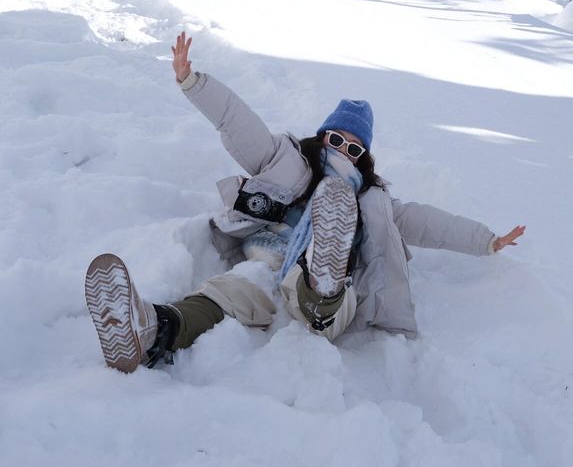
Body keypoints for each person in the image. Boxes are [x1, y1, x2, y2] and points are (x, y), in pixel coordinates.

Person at [85, 32, 526, 373]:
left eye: (353, 149)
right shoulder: (287, 162)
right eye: (336, 139)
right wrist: (194, 83)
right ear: (322, 137)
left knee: (320, 283)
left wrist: (486, 240)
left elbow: (431, 224)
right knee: (225, 294)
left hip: (328, 288)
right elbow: (240, 124)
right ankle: (153, 330)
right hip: (266, 260)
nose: (342, 151)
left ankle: (325, 275)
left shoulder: (372, 201)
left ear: (364, 159)